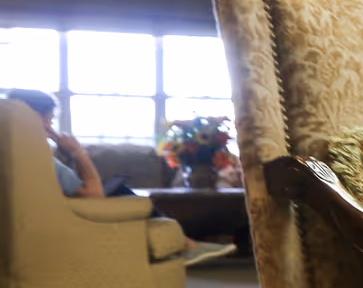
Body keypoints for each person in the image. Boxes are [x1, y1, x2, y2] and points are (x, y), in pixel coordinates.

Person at [4, 88, 236, 266]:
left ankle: (183, 244)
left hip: (38, 220)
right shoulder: (39, 156)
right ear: (35, 118)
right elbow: (93, 194)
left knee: (119, 191)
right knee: (127, 196)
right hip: (71, 218)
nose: (51, 124)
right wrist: (77, 153)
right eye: (49, 118)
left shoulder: (13, 152)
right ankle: (185, 245)